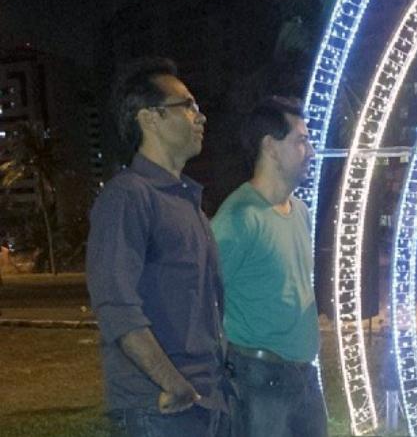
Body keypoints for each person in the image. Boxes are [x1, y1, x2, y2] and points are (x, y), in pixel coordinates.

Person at [86, 57, 230, 437]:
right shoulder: (127, 197)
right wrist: (172, 382)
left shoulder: (187, 201)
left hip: (207, 401)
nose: (200, 117)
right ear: (149, 118)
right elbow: (116, 306)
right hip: (161, 410)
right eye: (188, 106)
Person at [211, 96, 327, 437]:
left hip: (305, 378)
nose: (311, 152)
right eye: (301, 141)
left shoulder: (300, 211)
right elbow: (201, 296)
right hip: (258, 382)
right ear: (271, 147)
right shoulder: (239, 218)